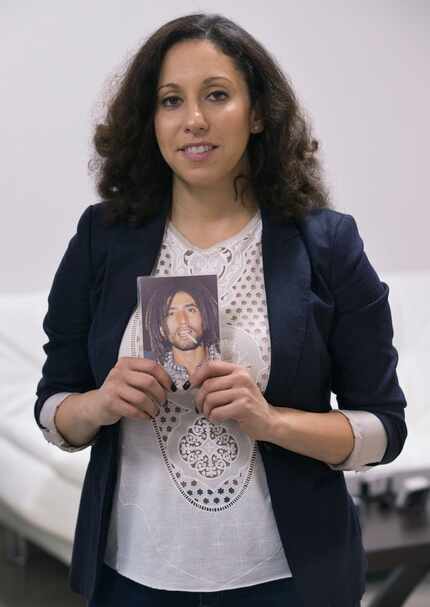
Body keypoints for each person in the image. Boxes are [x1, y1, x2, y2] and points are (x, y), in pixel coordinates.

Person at [34, 12, 407, 607]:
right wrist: (100, 403)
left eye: (216, 95)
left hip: (290, 581)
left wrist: (271, 421)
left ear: (257, 113)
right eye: (170, 100)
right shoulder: (102, 237)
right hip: (130, 578)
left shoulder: (327, 243)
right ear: (150, 120)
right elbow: (54, 408)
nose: (194, 121)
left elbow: (384, 430)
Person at [143, 278, 220, 384]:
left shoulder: (231, 357)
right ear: (160, 327)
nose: (183, 321)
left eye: (191, 310)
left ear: (205, 316)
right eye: (171, 313)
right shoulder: (151, 376)